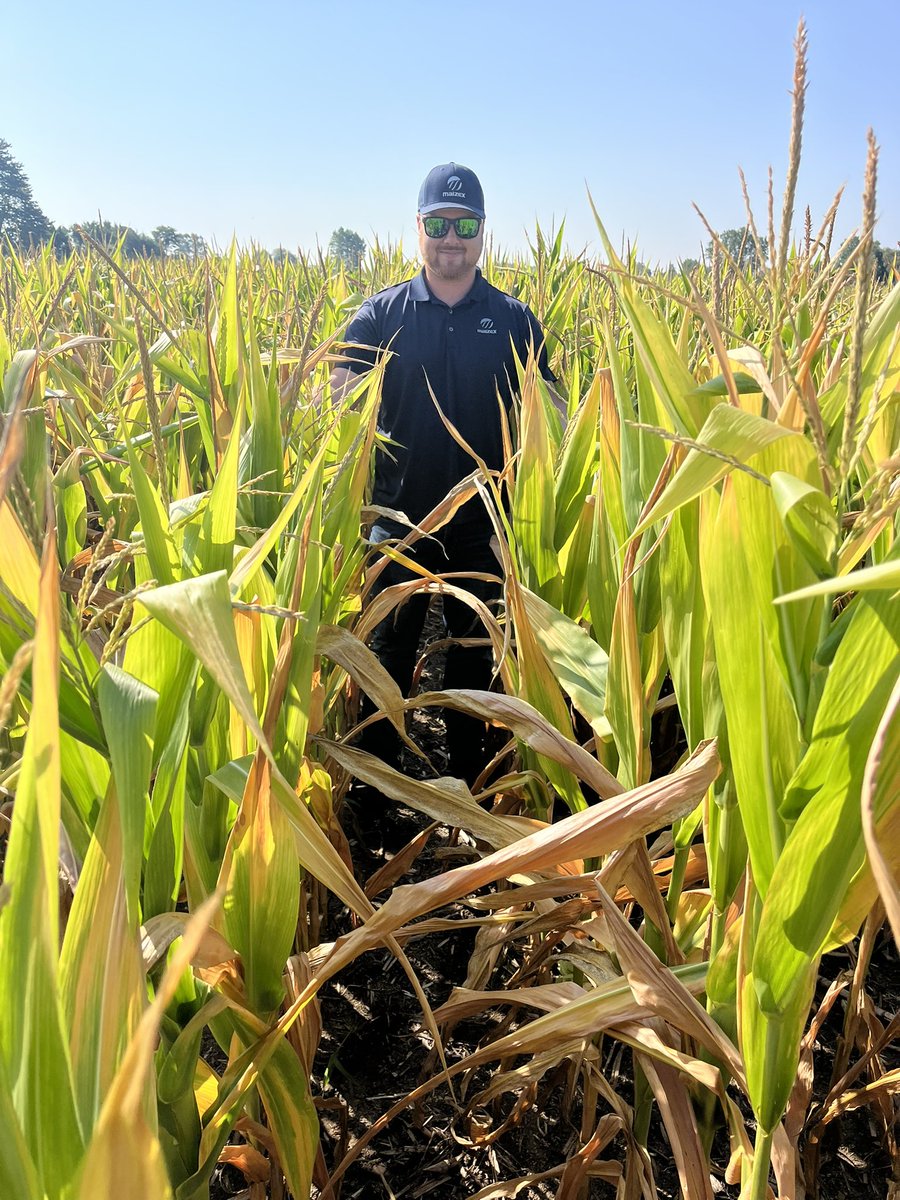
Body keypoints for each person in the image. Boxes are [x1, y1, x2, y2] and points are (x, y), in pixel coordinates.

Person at [332, 162, 559, 787]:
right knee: (385, 660)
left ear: (483, 232)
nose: (450, 237)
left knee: (475, 663)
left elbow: (556, 417)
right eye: (439, 223)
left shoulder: (514, 321)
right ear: (419, 228)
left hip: (482, 528)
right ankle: (378, 792)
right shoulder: (379, 317)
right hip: (396, 525)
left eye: (464, 224)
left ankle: (471, 793)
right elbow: (338, 402)